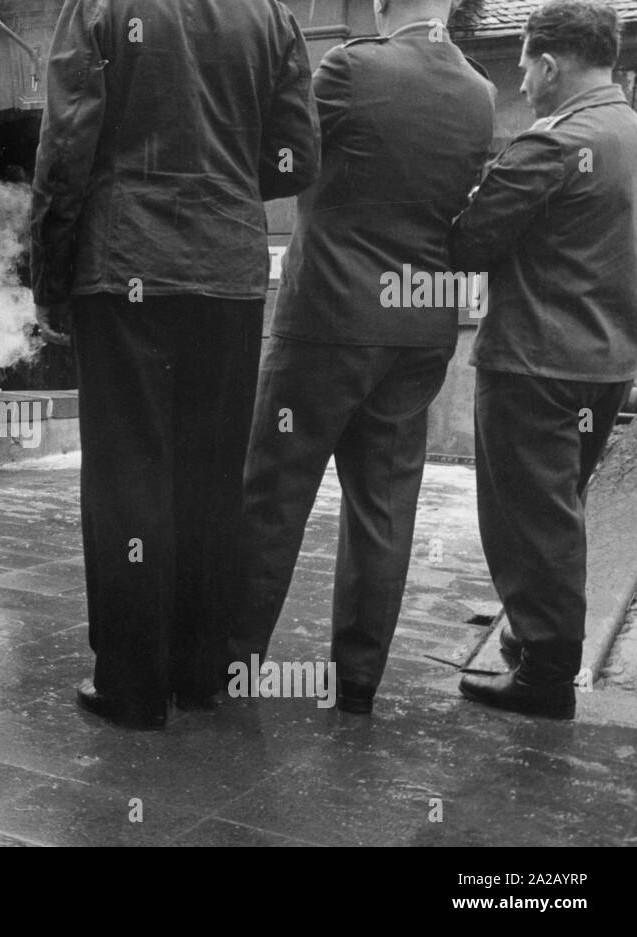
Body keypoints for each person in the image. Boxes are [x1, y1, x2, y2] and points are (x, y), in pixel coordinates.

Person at [31, 0, 320, 729]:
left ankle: (132, 683)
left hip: (123, 260)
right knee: (212, 474)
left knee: (127, 476)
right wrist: (219, 182)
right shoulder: (273, 16)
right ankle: (199, 674)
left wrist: (50, 276)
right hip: (225, 266)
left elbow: (67, 143)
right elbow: (298, 154)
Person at [228, 0, 496, 715]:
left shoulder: (351, 68)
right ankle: (356, 683)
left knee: (273, 497)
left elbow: (282, 157)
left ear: (383, 5)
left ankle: (232, 663)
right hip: (419, 332)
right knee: (383, 507)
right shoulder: (480, 93)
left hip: (329, 321)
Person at [453, 0, 637, 720]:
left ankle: (547, 671)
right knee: (560, 509)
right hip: (606, 362)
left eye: (525, 67)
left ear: (550, 63)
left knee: (530, 518)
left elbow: (470, 242)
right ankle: (534, 641)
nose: (522, 83)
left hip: (534, 362)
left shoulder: (552, 143)